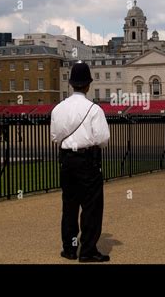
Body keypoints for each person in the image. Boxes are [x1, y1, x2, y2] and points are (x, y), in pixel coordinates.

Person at [51, 61, 111, 263]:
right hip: (88, 160)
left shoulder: (58, 109)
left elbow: (54, 137)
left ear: (71, 84)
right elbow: (103, 139)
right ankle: (87, 250)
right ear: (88, 85)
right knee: (91, 206)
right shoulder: (94, 109)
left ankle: (69, 248)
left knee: (69, 205)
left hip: (66, 160)